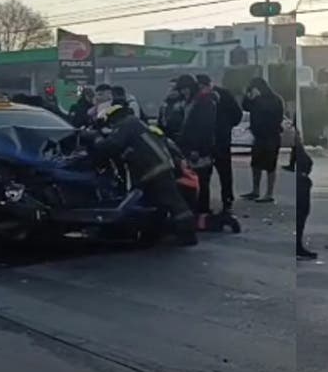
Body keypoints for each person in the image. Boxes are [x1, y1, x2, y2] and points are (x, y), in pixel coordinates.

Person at [89, 112, 197, 246]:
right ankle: (152, 234)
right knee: (156, 203)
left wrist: (97, 139)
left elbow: (112, 145)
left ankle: (187, 235)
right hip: (154, 169)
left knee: (174, 203)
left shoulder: (127, 124)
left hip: (154, 169)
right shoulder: (135, 124)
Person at [171, 75, 218, 214]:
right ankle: (196, 209)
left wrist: (197, 148)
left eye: (186, 89)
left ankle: (202, 210)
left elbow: (205, 128)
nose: (184, 92)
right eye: (182, 90)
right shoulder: (188, 102)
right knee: (192, 180)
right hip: (188, 147)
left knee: (202, 181)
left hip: (200, 148)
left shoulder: (204, 102)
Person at [200, 74, 243, 212]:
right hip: (221, 139)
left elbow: (237, 114)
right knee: (224, 173)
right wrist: (227, 126)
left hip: (212, 140)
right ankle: (227, 201)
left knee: (207, 173)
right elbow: (237, 114)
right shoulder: (225, 94)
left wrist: (225, 127)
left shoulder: (202, 96)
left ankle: (206, 203)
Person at [241, 77, 285, 204]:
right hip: (266, 135)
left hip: (267, 135)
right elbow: (246, 107)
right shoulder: (272, 99)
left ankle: (263, 192)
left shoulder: (265, 100)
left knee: (264, 164)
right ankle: (261, 191)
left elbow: (247, 107)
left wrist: (249, 96)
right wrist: (248, 95)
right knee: (262, 164)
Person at [294, 129, 317, 260]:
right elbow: (306, 162)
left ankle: (298, 245)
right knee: (301, 214)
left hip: (302, 181)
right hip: (301, 183)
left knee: (301, 215)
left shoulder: (297, 147)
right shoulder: (298, 147)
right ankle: (297, 246)